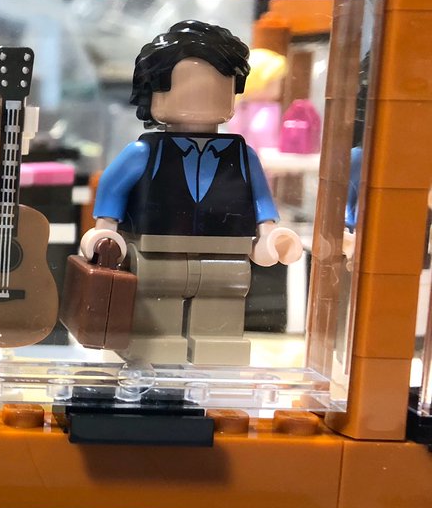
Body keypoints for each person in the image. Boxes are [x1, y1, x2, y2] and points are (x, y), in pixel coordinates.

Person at [79, 20, 303, 365]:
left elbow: (261, 201)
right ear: (154, 91)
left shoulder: (243, 156)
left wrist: (269, 236)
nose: (202, 97)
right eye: (188, 85)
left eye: (219, 85)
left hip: (226, 252)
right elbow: (112, 188)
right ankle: (155, 347)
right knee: (156, 300)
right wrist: (105, 232)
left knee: (222, 302)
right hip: (156, 250)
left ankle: (217, 350)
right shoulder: (144, 153)